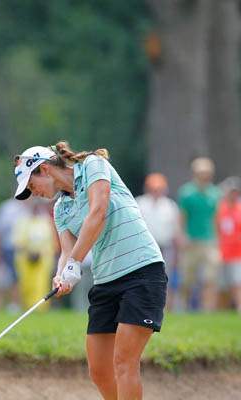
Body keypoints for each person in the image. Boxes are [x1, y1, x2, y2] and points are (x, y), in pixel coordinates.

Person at [13, 142, 166, 400]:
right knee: (99, 370)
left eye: (31, 185)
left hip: (141, 272)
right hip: (106, 281)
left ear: (46, 169)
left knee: (124, 362)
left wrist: (74, 263)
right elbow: (66, 251)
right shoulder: (60, 208)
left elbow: (98, 212)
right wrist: (61, 274)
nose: (34, 192)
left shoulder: (93, 165)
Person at [177, 157, 221, 311]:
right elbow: (182, 217)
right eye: (202, 172)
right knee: (187, 278)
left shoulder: (215, 193)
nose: (205, 175)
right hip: (191, 240)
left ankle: (207, 309)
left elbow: (216, 218)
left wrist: (218, 238)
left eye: (207, 172)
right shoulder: (187, 192)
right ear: (195, 173)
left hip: (210, 240)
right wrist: (182, 236)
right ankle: (183, 306)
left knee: (210, 277)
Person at [135, 173, 181, 311]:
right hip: (145, 246)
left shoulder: (170, 205)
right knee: (144, 277)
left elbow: (175, 229)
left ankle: (165, 307)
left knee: (165, 277)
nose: (156, 191)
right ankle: (146, 305)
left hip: (165, 246)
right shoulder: (139, 203)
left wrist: (177, 251)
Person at [215, 177, 241, 314]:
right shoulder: (220, 208)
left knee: (240, 283)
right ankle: (223, 311)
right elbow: (217, 229)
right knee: (223, 286)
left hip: (240, 252)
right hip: (223, 251)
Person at [11, 199, 56, 311]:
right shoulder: (23, 222)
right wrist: (29, 252)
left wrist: (40, 252)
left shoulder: (46, 222)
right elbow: (18, 242)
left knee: (41, 284)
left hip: (43, 260)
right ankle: (27, 307)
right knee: (26, 285)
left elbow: (51, 243)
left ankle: (41, 309)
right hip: (25, 260)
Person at [0, 198, 30, 311]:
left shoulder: (32, 208)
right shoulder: (8, 207)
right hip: (6, 249)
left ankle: (15, 306)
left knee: (18, 281)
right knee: (0, 283)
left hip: (25, 252)